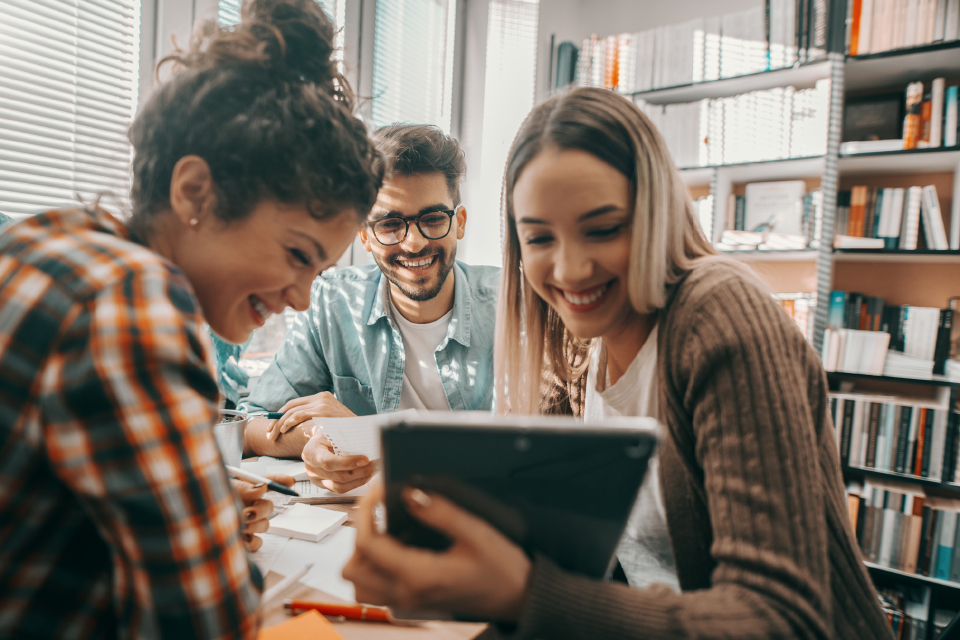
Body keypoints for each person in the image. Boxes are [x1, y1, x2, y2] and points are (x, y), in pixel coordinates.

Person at [342, 87, 895, 639]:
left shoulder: (719, 314)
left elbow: (781, 620)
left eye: (603, 228)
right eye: (539, 237)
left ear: (655, 212)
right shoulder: (576, 340)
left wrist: (524, 593)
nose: (572, 268)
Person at [0, 0, 383, 637]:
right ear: (195, 193)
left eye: (317, 273)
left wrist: (186, 511)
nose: (301, 299)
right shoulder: (129, 299)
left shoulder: (43, 242)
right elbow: (206, 624)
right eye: (296, 256)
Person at [241, 124, 500, 494]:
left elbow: (529, 452)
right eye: (391, 224)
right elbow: (253, 423)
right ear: (364, 235)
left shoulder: (513, 306)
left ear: (458, 223)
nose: (413, 243)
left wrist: (366, 436)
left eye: (432, 219)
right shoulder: (332, 302)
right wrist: (319, 437)